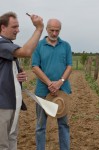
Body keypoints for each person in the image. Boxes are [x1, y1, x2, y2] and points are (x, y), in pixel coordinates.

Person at [0, 12, 43, 150]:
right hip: (2, 105)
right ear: (2, 27)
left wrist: (18, 77)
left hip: (11, 103)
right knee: (3, 144)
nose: (18, 30)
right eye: (14, 26)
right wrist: (39, 28)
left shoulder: (8, 45)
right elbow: (26, 52)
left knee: (12, 139)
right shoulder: (1, 44)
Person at [32, 18, 72, 150]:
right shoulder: (38, 45)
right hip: (43, 92)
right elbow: (35, 67)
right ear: (47, 29)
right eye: (52, 30)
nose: (55, 33)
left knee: (64, 125)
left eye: (57, 30)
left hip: (62, 91)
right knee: (40, 126)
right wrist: (50, 83)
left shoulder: (66, 46)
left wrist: (60, 82)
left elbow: (69, 66)